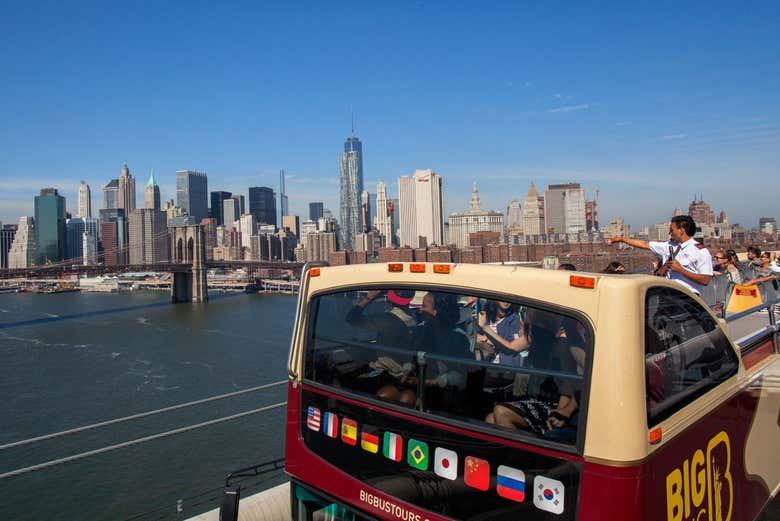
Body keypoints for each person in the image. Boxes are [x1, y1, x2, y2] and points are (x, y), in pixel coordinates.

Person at [608, 215, 713, 295]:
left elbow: (705, 280)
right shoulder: (668, 246)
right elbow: (645, 244)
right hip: (667, 295)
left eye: (672, 230)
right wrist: (621, 239)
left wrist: (681, 270)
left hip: (687, 297)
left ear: (681, 230)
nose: (669, 233)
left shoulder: (700, 251)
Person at [475, 300, 525, 365]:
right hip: (484, 363)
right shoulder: (486, 315)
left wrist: (486, 338)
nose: (507, 302)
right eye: (503, 298)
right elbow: (474, 336)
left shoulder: (514, 319)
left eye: (509, 299)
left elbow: (508, 346)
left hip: (504, 367)